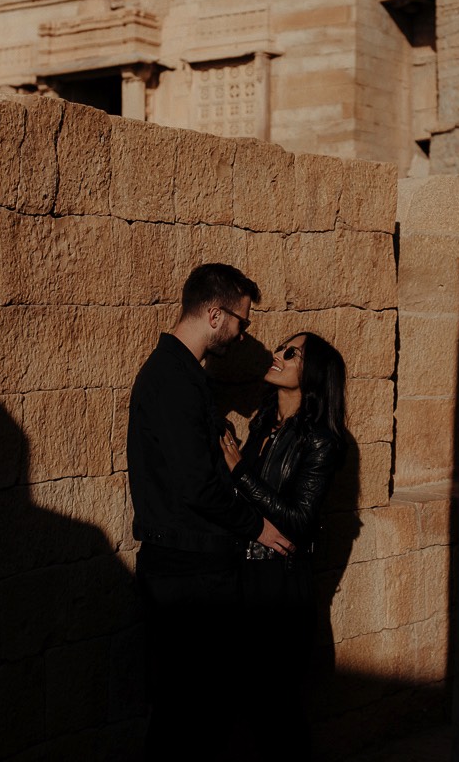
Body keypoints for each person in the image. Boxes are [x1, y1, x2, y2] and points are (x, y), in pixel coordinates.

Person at [127, 263, 293, 759]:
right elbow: (195, 484)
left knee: (194, 712)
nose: (244, 333)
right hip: (187, 572)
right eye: (242, 320)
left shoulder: (182, 377)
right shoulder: (174, 380)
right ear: (215, 314)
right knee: (189, 715)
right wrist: (256, 526)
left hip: (189, 566)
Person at [218, 331, 348, 761]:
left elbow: (298, 521)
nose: (277, 356)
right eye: (280, 348)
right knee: (251, 709)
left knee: (278, 712)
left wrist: (240, 471)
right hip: (245, 579)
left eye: (290, 353)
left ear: (310, 374)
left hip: (282, 588)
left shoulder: (322, 442)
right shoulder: (262, 425)